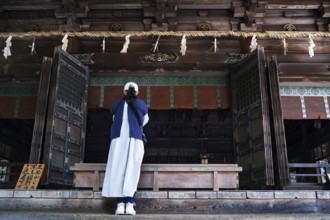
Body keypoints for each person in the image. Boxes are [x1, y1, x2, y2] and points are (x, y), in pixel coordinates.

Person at [102, 82, 149, 215]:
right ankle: (130, 204)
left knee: (117, 171)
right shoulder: (141, 104)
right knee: (132, 172)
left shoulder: (116, 104)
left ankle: (119, 205)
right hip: (135, 140)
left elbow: (113, 119)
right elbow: (144, 122)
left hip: (118, 142)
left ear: (124, 91)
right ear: (137, 92)